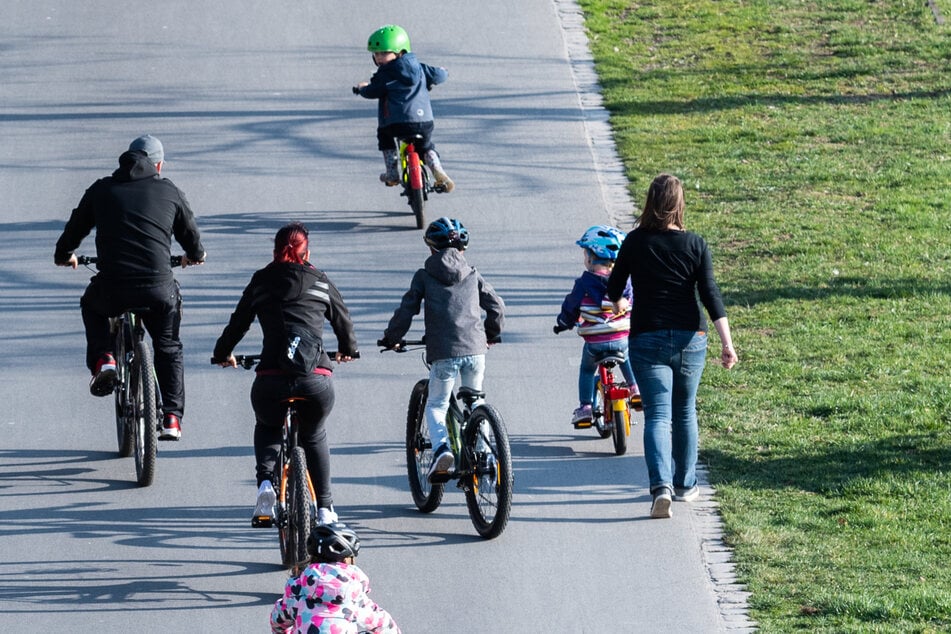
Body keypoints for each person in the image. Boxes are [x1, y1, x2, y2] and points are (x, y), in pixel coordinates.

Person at [54, 135, 206, 441]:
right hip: (158, 289)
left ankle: (104, 359)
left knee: (92, 305)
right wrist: (194, 256)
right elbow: (190, 234)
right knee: (168, 347)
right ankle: (172, 418)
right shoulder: (169, 191)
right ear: (158, 165)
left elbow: (74, 229)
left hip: (113, 286)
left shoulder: (101, 190)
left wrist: (65, 255)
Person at [606, 173, 737, 519]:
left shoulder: (634, 242)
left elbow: (614, 287)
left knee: (658, 416)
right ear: (679, 205)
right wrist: (727, 342)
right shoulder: (696, 244)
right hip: (691, 337)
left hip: (647, 337)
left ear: (650, 202)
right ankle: (685, 484)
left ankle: (660, 487)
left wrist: (619, 302)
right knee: (685, 412)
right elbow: (710, 295)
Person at [211, 222, 358, 527]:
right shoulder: (320, 280)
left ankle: (266, 485)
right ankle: (326, 509)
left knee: (267, 426)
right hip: (314, 377)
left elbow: (238, 323)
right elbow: (342, 320)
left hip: (271, 378)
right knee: (314, 433)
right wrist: (347, 349)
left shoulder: (262, 281)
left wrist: (223, 353)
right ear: (307, 251)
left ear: (275, 250)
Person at [379, 217, 504, 482]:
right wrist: (491, 334)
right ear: (463, 249)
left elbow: (407, 310)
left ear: (431, 248)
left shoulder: (424, 276)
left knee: (436, 405)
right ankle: (485, 455)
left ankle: (442, 450)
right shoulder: (473, 274)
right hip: (476, 349)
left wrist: (392, 337)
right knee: (475, 399)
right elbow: (496, 307)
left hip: (444, 352)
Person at [554, 225, 641, 427]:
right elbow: (635, 303)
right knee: (626, 358)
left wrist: (563, 322)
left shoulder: (583, 285)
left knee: (586, 370)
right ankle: (635, 389)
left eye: (586, 254)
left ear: (592, 258)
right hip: (620, 339)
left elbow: (570, 307)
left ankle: (585, 407)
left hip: (595, 344)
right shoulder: (627, 283)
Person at [353, 24, 454, 193]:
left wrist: (362, 89)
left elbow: (372, 91)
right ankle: (438, 170)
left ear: (400, 52)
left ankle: (392, 173)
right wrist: (445, 71)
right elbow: (439, 75)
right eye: (377, 54)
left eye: (384, 53)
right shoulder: (421, 68)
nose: (379, 57)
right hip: (424, 121)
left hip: (394, 124)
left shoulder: (384, 74)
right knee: (426, 147)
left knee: (384, 137)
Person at [270, 523, 401, 633]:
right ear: (347, 560)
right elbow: (386, 626)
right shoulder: (354, 596)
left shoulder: (297, 590)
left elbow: (277, 621)